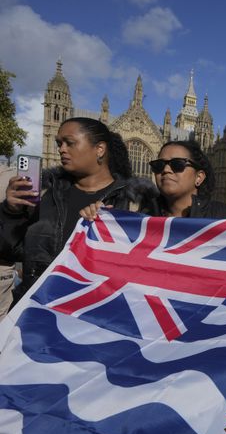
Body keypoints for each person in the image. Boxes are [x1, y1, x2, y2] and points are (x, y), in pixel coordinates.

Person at [0, 117, 158, 301]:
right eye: (59, 143)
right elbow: (9, 252)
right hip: (38, 308)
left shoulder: (135, 201)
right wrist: (11, 211)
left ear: (100, 149)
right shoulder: (44, 193)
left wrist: (112, 227)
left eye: (70, 143)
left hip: (95, 313)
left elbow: (148, 270)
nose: (61, 149)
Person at [81, 140, 226, 220]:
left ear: (199, 177)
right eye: (159, 165)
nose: (166, 170)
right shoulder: (141, 219)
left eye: (177, 164)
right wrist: (103, 221)